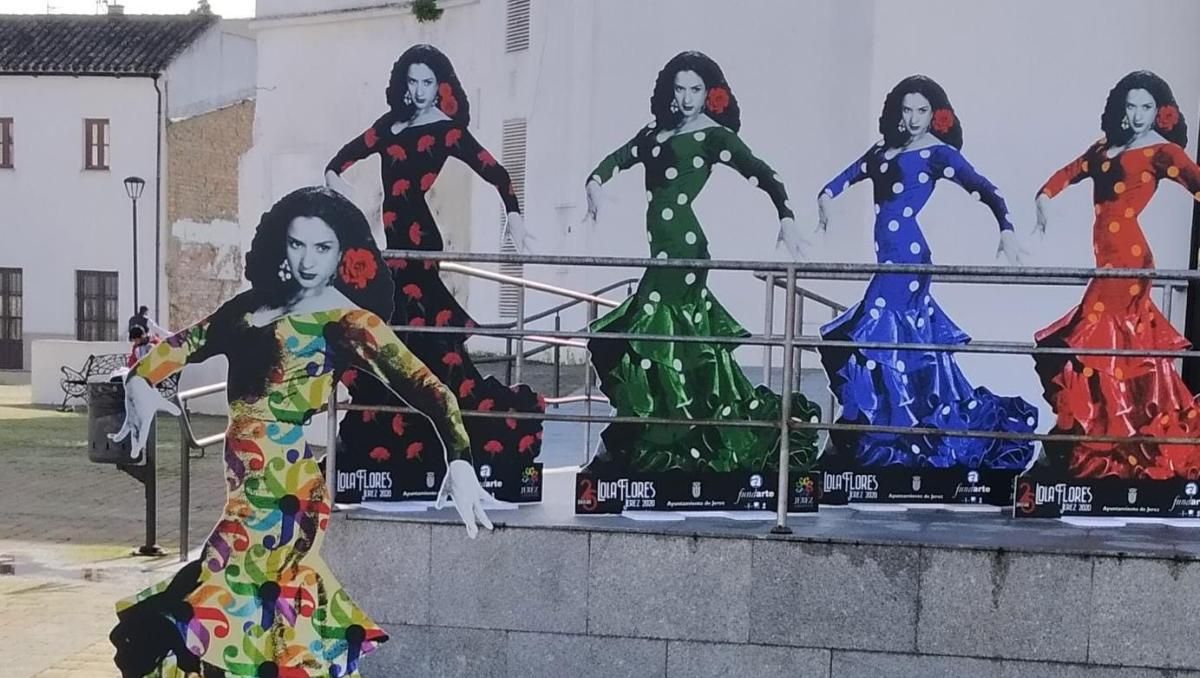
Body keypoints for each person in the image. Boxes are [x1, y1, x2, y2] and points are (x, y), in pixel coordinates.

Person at [106, 187, 493, 677]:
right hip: (245, 490)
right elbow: (180, 348)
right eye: (297, 245)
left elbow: (432, 390)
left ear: (341, 255)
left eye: (322, 248)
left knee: (218, 616)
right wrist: (140, 382)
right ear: (281, 248)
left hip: (286, 490)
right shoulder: (248, 309)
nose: (308, 260)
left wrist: (458, 457)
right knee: (241, 624)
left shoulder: (348, 322)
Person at [579, 50, 820, 474]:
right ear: (670, 92)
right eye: (681, 88)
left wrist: (786, 217)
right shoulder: (654, 132)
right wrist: (594, 184)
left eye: (696, 89)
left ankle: (648, 432)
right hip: (663, 251)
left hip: (686, 251)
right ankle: (658, 429)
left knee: (649, 334)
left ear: (709, 93)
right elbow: (616, 160)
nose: (688, 97)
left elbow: (763, 172)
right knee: (664, 339)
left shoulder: (713, 136)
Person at [324, 44, 544, 492]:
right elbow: (335, 165)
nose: (420, 90)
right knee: (399, 337)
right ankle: (406, 437)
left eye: (428, 82)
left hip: (419, 244)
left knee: (422, 338)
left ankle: (444, 436)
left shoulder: (446, 130)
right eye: (413, 82)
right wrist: (355, 202)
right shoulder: (389, 126)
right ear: (404, 84)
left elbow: (497, 173)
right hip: (392, 248)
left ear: (439, 85)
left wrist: (514, 216)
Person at [815, 74, 1037, 471]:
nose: (914, 118)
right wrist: (825, 200)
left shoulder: (937, 153)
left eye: (922, 110)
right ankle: (891, 428)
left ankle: (897, 432)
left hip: (911, 258)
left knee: (876, 338)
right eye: (908, 110)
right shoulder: (883, 149)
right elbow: (840, 180)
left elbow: (985, 188)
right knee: (888, 344)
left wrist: (1006, 228)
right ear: (898, 113)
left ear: (934, 114)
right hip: (890, 259)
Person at [1034, 70, 1200, 480]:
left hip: (1129, 261)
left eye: (1147, 106)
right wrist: (1043, 199)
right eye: (1132, 106)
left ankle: (1112, 438)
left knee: (1093, 346)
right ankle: (1112, 434)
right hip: (1107, 262)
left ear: (1159, 111)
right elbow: (1064, 175)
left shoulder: (1163, 152)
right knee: (1109, 351)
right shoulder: (1103, 148)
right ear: (1121, 109)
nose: (1139, 114)